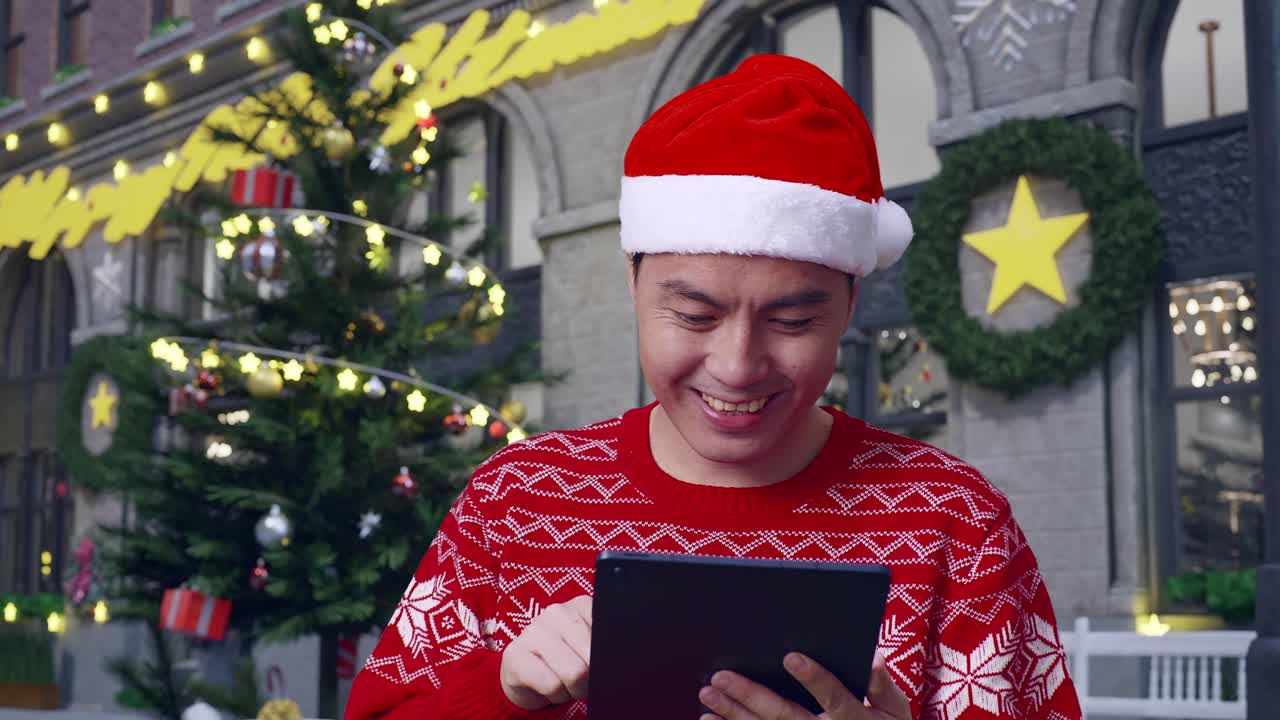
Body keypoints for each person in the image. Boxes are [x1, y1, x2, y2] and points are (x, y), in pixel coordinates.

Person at [345, 54, 1082, 720]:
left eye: (792, 320)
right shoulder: (513, 501)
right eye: (694, 313)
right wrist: (500, 691)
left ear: (851, 305)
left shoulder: (956, 524)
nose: (736, 366)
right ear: (632, 283)